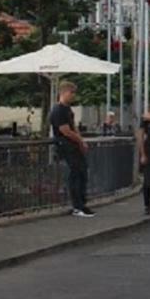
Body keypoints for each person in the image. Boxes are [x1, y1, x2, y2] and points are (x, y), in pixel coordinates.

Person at [49, 81, 94, 218]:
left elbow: (73, 128)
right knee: (75, 174)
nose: (73, 96)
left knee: (82, 172)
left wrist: (80, 141)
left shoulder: (67, 109)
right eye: (71, 92)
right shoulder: (58, 110)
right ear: (63, 93)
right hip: (66, 145)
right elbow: (65, 131)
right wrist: (79, 140)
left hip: (73, 145)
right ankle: (77, 206)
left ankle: (82, 203)